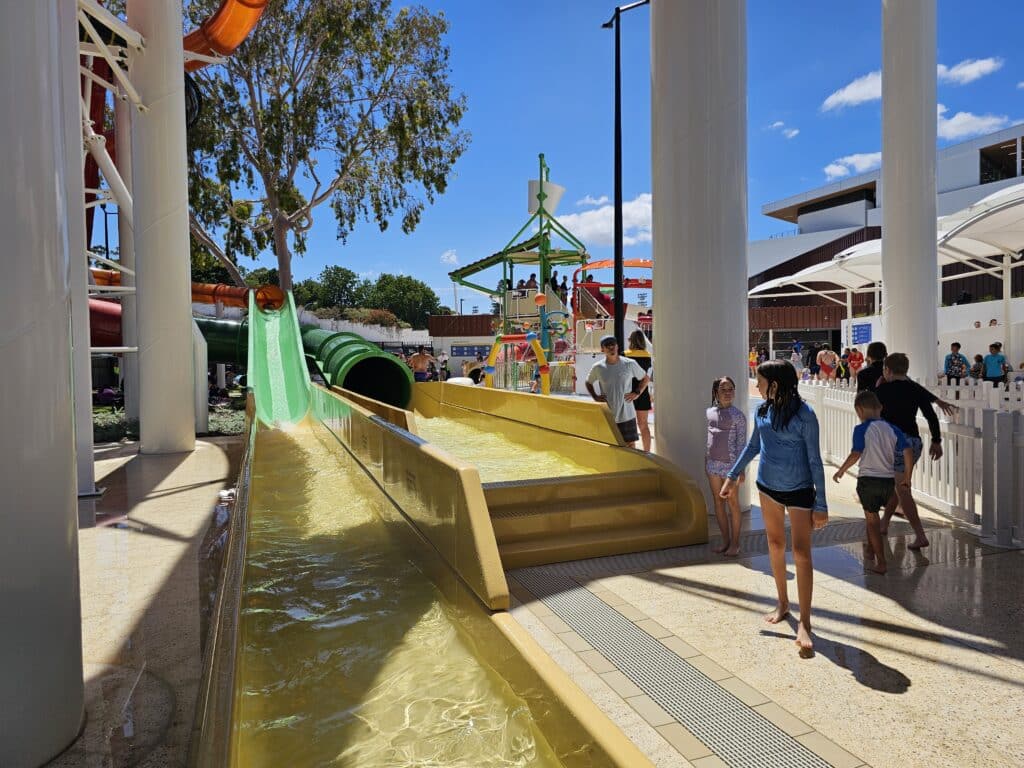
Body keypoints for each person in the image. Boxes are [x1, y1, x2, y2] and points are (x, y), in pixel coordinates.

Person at [721, 360, 828, 652]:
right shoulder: (762, 410)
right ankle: (783, 603)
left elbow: (815, 460)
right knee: (775, 544)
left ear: (776, 384)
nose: (756, 385)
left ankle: (805, 621)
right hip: (767, 488)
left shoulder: (805, 416)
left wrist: (821, 503)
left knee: (802, 553)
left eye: (760, 380)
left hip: (800, 489)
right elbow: (753, 446)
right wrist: (732, 476)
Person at [832, 390, 915, 574]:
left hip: (867, 482)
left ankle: (881, 562)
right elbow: (908, 451)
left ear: (859, 410)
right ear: (880, 408)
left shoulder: (861, 429)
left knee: (872, 522)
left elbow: (856, 453)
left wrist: (841, 470)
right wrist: (907, 477)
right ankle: (870, 549)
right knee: (889, 502)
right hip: (887, 481)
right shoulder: (893, 429)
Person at [875, 353, 947, 548]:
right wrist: (936, 440)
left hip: (895, 444)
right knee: (897, 486)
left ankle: (920, 535)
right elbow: (931, 415)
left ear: (887, 370)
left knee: (902, 489)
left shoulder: (882, 391)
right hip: (913, 443)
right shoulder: (914, 389)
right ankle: (884, 523)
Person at [706, 376, 746, 556]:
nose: (728, 392)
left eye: (731, 389)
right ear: (716, 393)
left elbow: (742, 444)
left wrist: (740, 470)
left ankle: (735, 543)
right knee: (718, 503)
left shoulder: (738, 416)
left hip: (730, 468)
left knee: (733, 504)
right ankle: (725, 542)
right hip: (712, 465)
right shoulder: (710, 412)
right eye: (724, 389)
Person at [586, 335, 649, 448]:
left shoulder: (630, 363)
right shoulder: (598, 367)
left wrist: (637, 392)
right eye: (607, 345)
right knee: (609, 445)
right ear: (602, 349)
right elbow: (588, 382)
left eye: (613, 344)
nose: (611, 347)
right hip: (608, 415)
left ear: (617, 346)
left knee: (630, 444)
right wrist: (595, 396)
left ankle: (631, 465)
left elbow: (645, 378)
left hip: (627, 415)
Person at [624, 330, 654, 451]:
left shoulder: (624, 355)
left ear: (630, 341)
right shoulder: (647, 356)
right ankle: (647, 453)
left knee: (629, 427)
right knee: (643, 425)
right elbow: (647, 376)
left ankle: (632, 452)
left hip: (627, 395)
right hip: (642, 393)